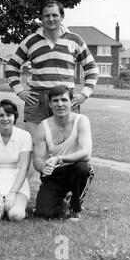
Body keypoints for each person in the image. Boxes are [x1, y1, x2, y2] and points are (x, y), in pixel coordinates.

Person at [5, 0, 99, 142]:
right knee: (37, 146)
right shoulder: (31, 41)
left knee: (65, 145)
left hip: (64, 98)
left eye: (54, 15)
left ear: (62, 17)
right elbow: (11, 66)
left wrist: (85, 94)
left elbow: (92, 68)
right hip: (36, 99)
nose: (50, 19)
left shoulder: (75, 40)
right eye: (46, 16)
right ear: (41, 18)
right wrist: (20, 91)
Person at [33, 85, 94, 221]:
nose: (60, 104)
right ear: (49, 104)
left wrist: (59, 159)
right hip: (55, 175)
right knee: (44, 213)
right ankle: (63, 200)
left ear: (71, 102)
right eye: (55, 101)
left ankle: (75, 209)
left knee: (83, 168)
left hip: (75, 171)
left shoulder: (81, 121)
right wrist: (44, 167)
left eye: (64, 100)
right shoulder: (42, 127)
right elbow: (37, 158)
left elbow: (86, 153)